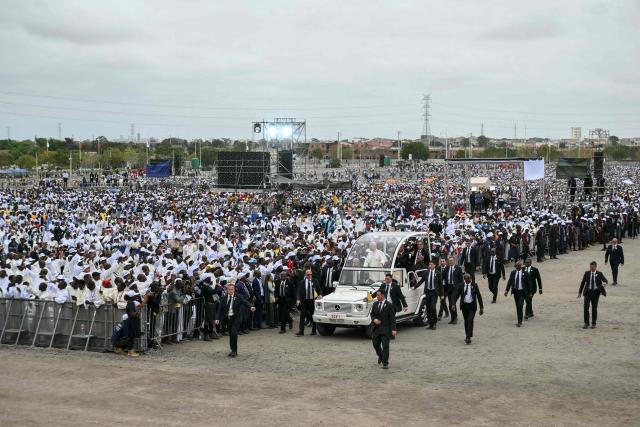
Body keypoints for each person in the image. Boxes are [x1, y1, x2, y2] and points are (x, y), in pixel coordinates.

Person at [215, 283, 255, 357]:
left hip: (236, 318)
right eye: (229, 289)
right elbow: (219, 309)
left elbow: (245, 302)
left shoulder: (238, 297)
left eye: (232, 289)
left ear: (234, 290)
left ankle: (234, 351)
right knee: (231, 334)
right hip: (228, 318)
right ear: (227, 290)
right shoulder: (224, 298)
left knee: (234, 333)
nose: (230, 291)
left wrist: (251, 307)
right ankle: (232, 349)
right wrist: (217, 318)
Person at [452, 273, 483, 344]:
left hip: (472, 306)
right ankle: (467, 335)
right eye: (466, 278)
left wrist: (481, 307)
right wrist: (453, 304)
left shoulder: (474, 286)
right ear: (464, 279)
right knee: (466, 321)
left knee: (470, 320)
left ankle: (468, 337)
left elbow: (479, 296)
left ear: (471, 278)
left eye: (469, 278)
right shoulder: (461, 286)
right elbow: (456, 295)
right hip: (464, 306)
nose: (468, 279)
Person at [370, 290, 396, 369]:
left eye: (378, 295)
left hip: (386, 329)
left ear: (383, 295)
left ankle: (385, 363)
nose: (377, 296)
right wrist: (374, 319)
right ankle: (381, 356)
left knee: (385, 345)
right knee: (375, 344)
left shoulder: (389, 305)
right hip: (376, 329)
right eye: (376, 295)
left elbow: (392, 318)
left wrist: (393, 329)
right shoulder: (375, 304)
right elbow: (372, 314)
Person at [578, 261, 608, 329]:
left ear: (595, 267)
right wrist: (580, 292)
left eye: (592, 267)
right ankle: (586, 323)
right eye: (590, 267)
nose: (591, 268)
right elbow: (582, 283)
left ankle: (594, 323)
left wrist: (605, 283)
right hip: (587, 292)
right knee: (586, 307)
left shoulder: (599, 274)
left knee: (594, 308)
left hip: (595, 293)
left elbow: (605, 280)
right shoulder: (587, 273)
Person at [418, 260, 443, 330]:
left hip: (434, 292)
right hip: (428, 292)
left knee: (432, 307)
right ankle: (430, 323)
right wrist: (414, 286)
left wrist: (442, 295)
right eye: (429, 264)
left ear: (435, 265)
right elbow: (421, 281)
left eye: (431, 264)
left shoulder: (438, 273)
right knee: (428, 308)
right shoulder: (426, 272)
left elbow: (441, 285)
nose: (430, 266)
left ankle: (434, 322)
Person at [504, 261, 530, 327]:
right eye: (516, 266)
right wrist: (507, 290)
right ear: (515, 266)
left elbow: (529, 284)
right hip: (515, 292)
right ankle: (519, 320)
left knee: (520, 305)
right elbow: (509, 282)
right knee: (517, 306)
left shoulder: (525, 273)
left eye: (519, 266)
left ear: (521, 266)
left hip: (522, 292)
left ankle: (520, 321)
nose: (518, 267)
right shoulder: (513, 273)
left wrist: (530, 293)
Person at [295, 269, 320, 336]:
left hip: (312, 301)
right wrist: (298, 299)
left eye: (310, 274)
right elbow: (298, 291)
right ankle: (301, 331)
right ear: (305, 275)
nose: (309, 276)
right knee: (302, 316)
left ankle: (314, 330)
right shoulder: (302, 282)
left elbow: (319, 290)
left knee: (313, 316)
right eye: (308, 274)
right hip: (304, 301)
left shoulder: (315, 281)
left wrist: (320, 295)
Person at [443, 256, 463, 325]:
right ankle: (452, 318)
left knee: (452, 303)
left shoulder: (458, 268)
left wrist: (459, 287)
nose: (451, 261)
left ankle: (455, 318)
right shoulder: (447, 268)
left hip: (455, 288)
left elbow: (461, 280)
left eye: (452, 260)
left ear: (454, 261)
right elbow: (442, 276)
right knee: (450, 304)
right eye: (449, 260)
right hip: (449, 287)